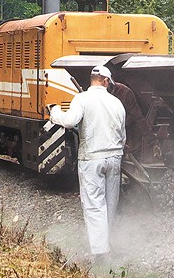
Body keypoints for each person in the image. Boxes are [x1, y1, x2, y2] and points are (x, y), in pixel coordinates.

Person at [48, 65, 126, 260]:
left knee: (94, 204)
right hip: (115, 157)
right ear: (107, 81)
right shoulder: (117, 103)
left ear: (92, 80)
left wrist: (55, 111)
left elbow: (69, 121)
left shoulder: (82, 99)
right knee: (110, 202)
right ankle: (107, 242)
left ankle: (100, 252)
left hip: (92, 158)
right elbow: (122, 133)